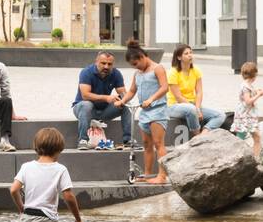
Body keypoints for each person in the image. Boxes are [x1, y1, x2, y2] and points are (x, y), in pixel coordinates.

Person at [10, 127, 84, 222]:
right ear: (59, 149)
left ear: (36, 146)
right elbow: (68, 196)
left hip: (26, 220)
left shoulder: (26, 166)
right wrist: (78, 219)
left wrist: (21, 207)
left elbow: (14, 189)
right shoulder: (60, 169)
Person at [113, 39, 169, 184]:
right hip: (144, 113)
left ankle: (162, 176)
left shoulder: (158, 68)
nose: (135, 67)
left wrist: (151, 99)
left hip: (157, 111)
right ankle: (148, 174)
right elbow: (132, 90)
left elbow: (164, 87)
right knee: (146, 143)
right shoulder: (138, 74)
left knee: (158, 143)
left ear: (142, 57)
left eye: (135, 64)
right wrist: (122, 101)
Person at [72, 51, 136, 149]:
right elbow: (85, 95)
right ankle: (83, 140)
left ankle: (129, 140)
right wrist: (106, 98)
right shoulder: (86, 72)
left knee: (126, 105)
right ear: (96, 62)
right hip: (83, 109)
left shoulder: (116, 73)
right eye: (103, 63)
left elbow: (123, 92)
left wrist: (123, 100)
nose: (106, 66)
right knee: (87, 105)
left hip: (104, 111)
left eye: (109, 64)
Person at [166, 45, 226, 137]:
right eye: (186, 54)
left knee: (220, 115)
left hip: (193, 106)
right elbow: (178, 97)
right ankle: (196, 135)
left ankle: (203, 135)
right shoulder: (173, 72)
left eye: (191, 53)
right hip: (174, 106)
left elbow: (199, 92)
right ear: (179, 57)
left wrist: (197, 107)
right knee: (191, 109)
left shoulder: (196, 70)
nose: (190, 55)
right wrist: (195, 109)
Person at [233, 61, 263, 158]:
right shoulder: (245, 87)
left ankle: (255, 158)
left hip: (248, 115)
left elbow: (260, 92)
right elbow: (248, 101)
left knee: (255, 137)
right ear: (255, 74)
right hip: (245, 115)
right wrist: (258, 95)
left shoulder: (248, 85)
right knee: (242, 138)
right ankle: (238, 157)